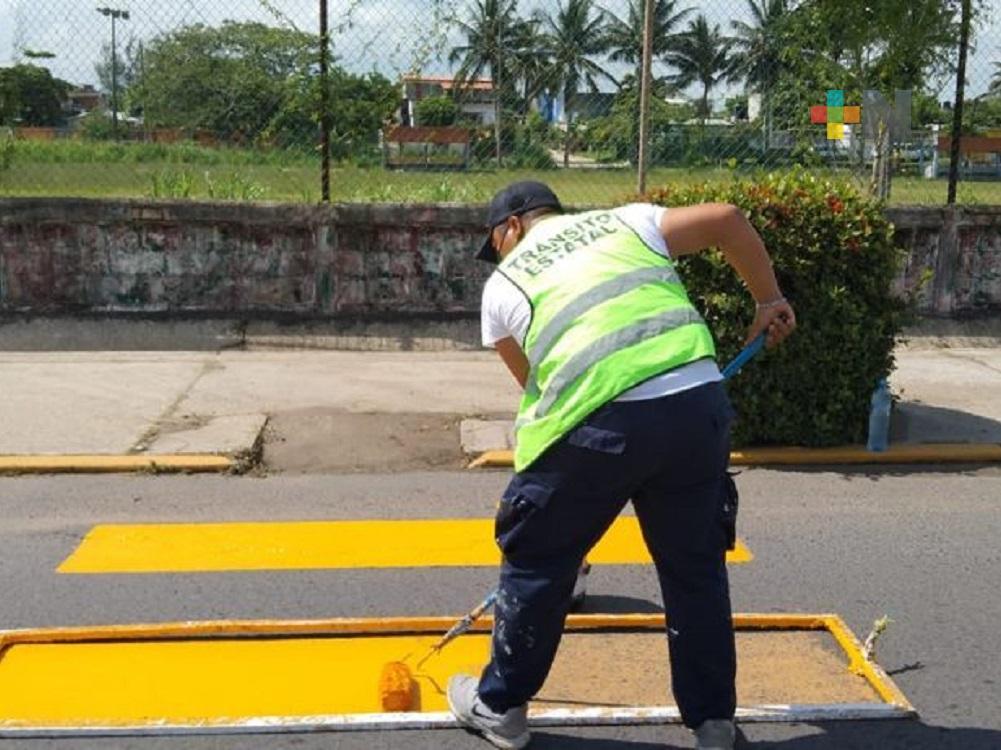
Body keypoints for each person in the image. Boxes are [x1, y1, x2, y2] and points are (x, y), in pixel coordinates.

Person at [447, 181, 795, 750]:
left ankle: (500, 706)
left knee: (536, 565)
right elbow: (729, 218)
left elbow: (539, 389)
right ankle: (714, 725)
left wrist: (561, 525)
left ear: (510, 228)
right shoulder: (625, 222)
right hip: (696, 407)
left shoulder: (502, 284)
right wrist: (767, 301)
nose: (501, 254)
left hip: (599, 425)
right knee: (693, 571)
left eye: (497, 242)